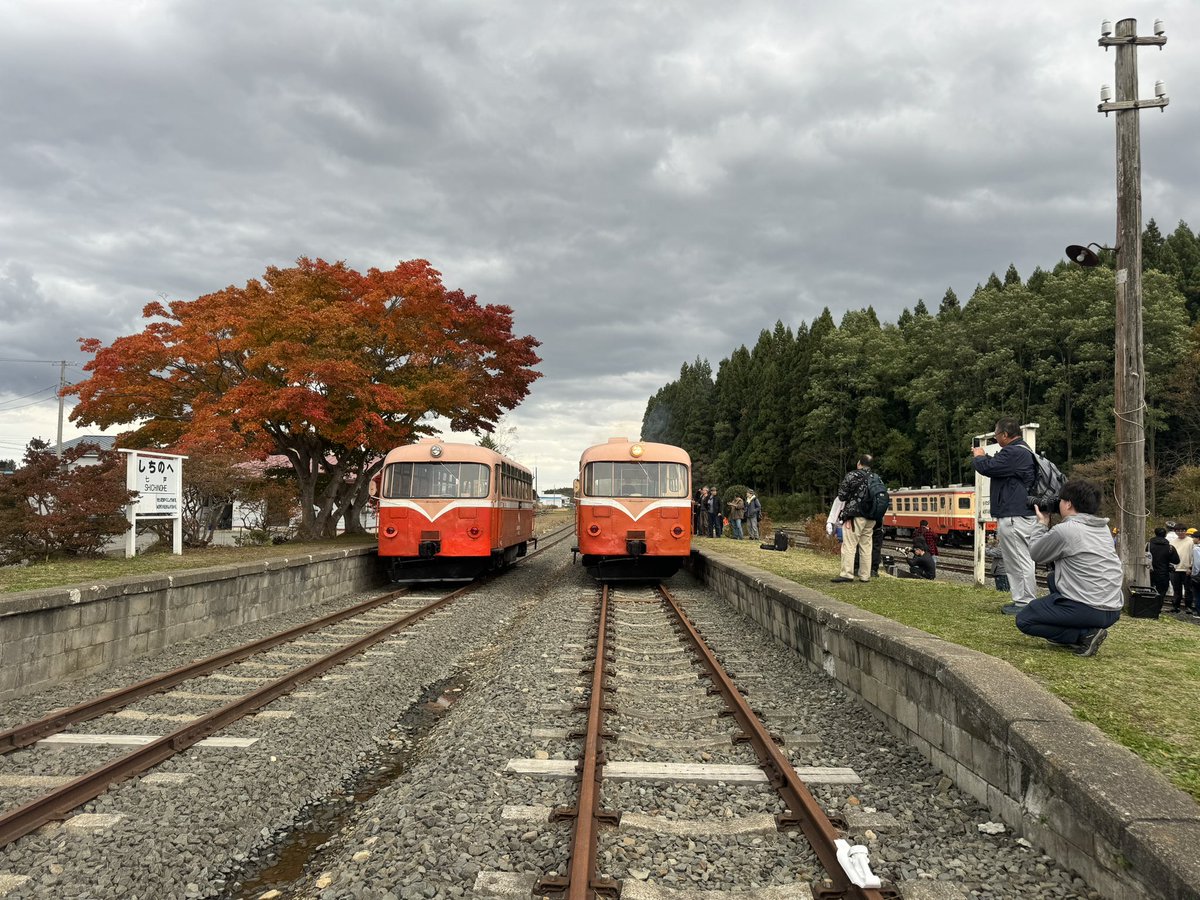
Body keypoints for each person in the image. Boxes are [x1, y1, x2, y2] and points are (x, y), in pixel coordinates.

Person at [1014, 479, 1123, 657]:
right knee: (1052, 578)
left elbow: (1036, 553)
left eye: (1061, 500)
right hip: (1112, 610)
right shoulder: (1102, 528)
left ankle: (1084, 635)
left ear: (1069, 504)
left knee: (1025, 620)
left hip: (1089, 608)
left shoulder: (1066, 530)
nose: (1059, 504)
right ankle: (1074, 631)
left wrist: (1041, 524)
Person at [971, 418, 1038, 615]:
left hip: (1014, 514)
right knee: (1018, 559)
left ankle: (1025, 602)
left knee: (1018, 559)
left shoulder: (1014, 452)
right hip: (1018, 513)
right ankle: (1021, 600)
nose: (996, 438)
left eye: (997, 435)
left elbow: (987, 468)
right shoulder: (1022, 450)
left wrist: (979, 456)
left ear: (1005, 435)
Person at [831, 454, 876, 584]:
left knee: (849, 545)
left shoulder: (852, 475)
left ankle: (847, 574)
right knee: (866, 545)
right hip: (871, 516)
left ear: (859, 463)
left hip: (855, 515)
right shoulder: (875, 477)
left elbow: (842, 496)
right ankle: (865, 575)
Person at [1146, 526, 1179, 606]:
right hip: (1164, 573)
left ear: (1155, 534)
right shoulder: (1170, 547)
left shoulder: (1149, 545)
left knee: (1150, 589)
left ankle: (1149, 606)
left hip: (1150, 572)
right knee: (1162, 591)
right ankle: (1158, 607)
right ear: (1165, 535)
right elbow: (1176, 561)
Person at [1167, 525, 1194, 613]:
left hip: (1187, 569)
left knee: (1188, 589)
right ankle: (1176, 606)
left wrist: (1190, 567)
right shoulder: (1173, 542)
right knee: (1176, 589)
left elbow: (1194, 556)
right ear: (1175, 532)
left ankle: (1188, 606)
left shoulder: (1191, 541)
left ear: (1186, 531)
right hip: (1175, 569)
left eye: (1182, 530)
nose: (1180, 532)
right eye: (1178, 531)